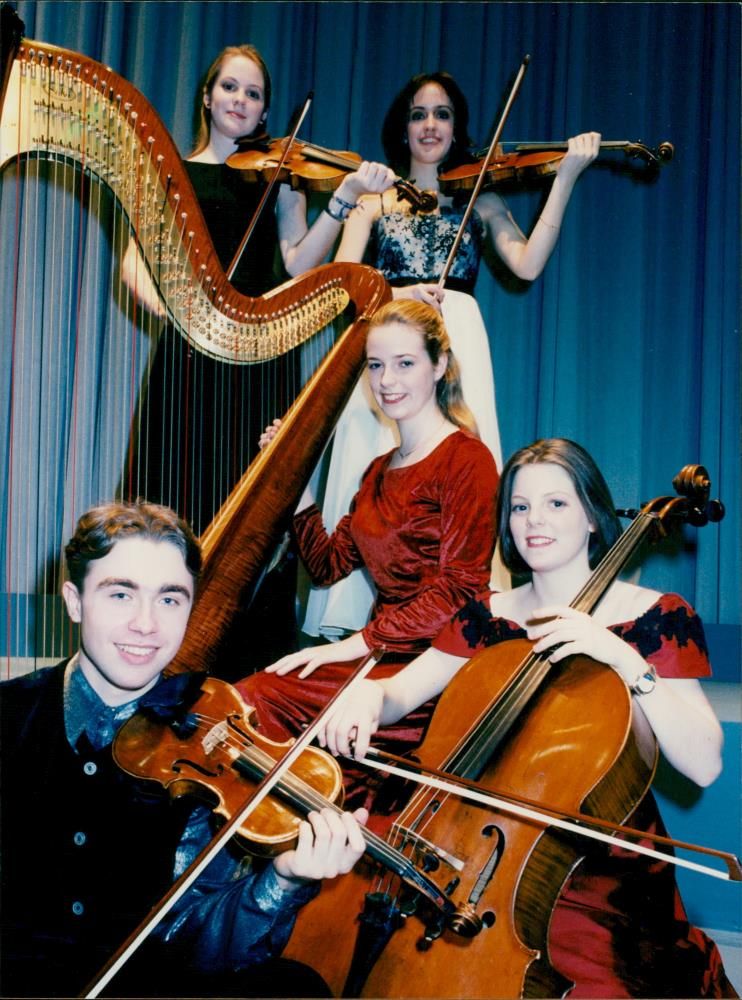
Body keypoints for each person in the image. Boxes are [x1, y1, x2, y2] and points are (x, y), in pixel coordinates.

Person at [317, 437, 737, 998]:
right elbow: (398, 694)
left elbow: (705, 764)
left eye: (556, 503)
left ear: (593, 517)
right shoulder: (487, 616)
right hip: (469, 845)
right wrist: (368, 697)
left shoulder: (653, 616)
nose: (534, 520)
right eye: (520, 506)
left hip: (591, 867)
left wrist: (623, 658)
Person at [0, 500, 370, 999]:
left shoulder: (204, 753)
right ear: (75, 601)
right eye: (121, 595)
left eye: (170, 600)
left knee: (293, 988)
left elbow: (191, 939)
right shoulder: (9, 715)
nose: (146, 624)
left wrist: (284, 879)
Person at [301, 71, 600, 639]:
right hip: (387, 338)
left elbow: (527, 263)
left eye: (442, 114)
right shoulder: (372, 202)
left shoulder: (478, 197)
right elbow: (343, 288)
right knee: (374, 458)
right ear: (403, 127)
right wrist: (397, 294)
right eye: (418, 114)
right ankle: (359, 619)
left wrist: (563, 179)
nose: (430, 125)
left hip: (455, 335)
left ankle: (451, 610)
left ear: (457, 126)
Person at [121, 43, 395, 536]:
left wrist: (344, 196)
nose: (240, 100)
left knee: (252, 497)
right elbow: (132, 265)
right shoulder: (173, 172)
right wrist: (173, 309)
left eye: (253, 94)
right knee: (175, 484)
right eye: (229, 87)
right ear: (207, 96)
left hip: (263, 346)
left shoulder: (280, 176)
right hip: (191, 346)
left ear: (264, 111)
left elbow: (298, 263)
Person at [238, 299, 499, 812]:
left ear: (439, 366)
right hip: (378, 656)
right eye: (376, 365)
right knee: (252, 699)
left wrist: (352, 645)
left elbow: (461, 592)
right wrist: (297, 482)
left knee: (262, 699)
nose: (387, 380)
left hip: (435, 668)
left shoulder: (467, 459)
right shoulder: (378, 470)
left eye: (405, 363)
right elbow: (327, 565)